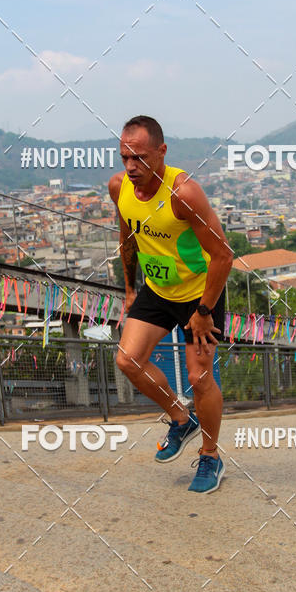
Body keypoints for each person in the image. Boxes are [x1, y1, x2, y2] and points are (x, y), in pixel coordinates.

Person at [108, 115, 233, 493]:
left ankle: (211, 457)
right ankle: (181, 419)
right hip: (157, 290)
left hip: (199, 294)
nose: (131, 167)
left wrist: (204, 311)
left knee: (199, 378)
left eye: (141, 158)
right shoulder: (119, 188)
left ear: (162, 152)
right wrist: (130, 289)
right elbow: (127, 236)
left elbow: (224, 256)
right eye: (125, 157)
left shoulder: (184, 194)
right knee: (127, 361)